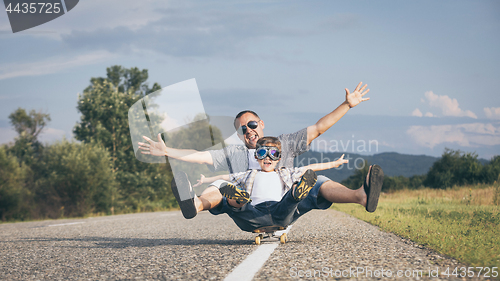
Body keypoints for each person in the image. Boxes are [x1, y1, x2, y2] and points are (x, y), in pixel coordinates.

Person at [138, 82, 384, 220]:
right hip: (249, 211)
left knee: (316, 181)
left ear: (261, 124)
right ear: (238, 135)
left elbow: (318, 128)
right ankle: (195, 204)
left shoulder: (283, 145)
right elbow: (199, 155)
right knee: (224, 185)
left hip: (287, 205)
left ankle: (360, 196)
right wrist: (167, 151)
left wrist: (346, 105)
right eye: (242, 129)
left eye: (252, 125)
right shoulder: (234, 154)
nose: (249, 130)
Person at [189, 136, 349, 231]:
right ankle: (238, 199)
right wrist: (206, 180)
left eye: (273, 154)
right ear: (256, 157)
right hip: (254, 213)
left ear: (279, 158)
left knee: (290, 200)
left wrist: (333, 163)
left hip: (280, 211)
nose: (267, 158)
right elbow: (225, 176)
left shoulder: (285, 172)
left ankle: (296, 192)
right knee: (233, 196)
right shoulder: (248, 174)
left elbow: (310, 168)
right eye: (262, 153)